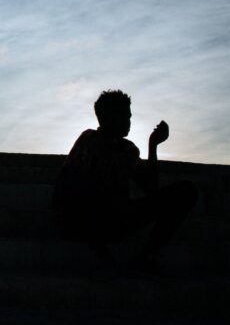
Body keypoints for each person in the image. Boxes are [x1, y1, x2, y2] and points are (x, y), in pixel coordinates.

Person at [53, 90, 197, 272]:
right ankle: (100, 248)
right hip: (84, 220)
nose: (129, 121)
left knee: (185, 191)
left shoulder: (127, 150)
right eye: (125, 116)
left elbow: (150, 189)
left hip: (117, 217)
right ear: (108, 117)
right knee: (87, 187)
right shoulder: (89, 140)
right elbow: (68, 186)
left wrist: (153, 145)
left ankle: (148, 254)